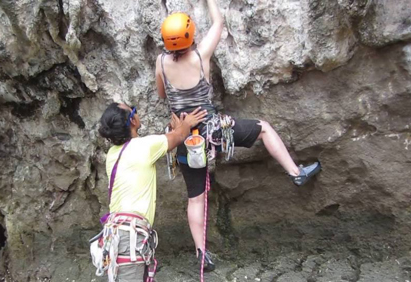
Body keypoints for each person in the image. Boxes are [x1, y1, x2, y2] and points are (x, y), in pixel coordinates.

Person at [155, 0, 322, 271]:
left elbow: (162, 94)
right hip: (216, 133)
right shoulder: (200, 56)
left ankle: (201, 254)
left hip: (185, 141)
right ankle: (295, 172)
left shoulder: (161, 63)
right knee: (264, 128)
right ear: (190, 37)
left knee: (195, 197)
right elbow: (219, 24)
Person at [95, 103, 207, 281]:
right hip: (129, 238)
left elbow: (172, 136)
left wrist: (178, 129)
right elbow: (178, 136)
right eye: (134, 109)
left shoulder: (112, 154)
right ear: (132, 119)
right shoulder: (145, 147)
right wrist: (188, 122)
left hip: (116, 234)